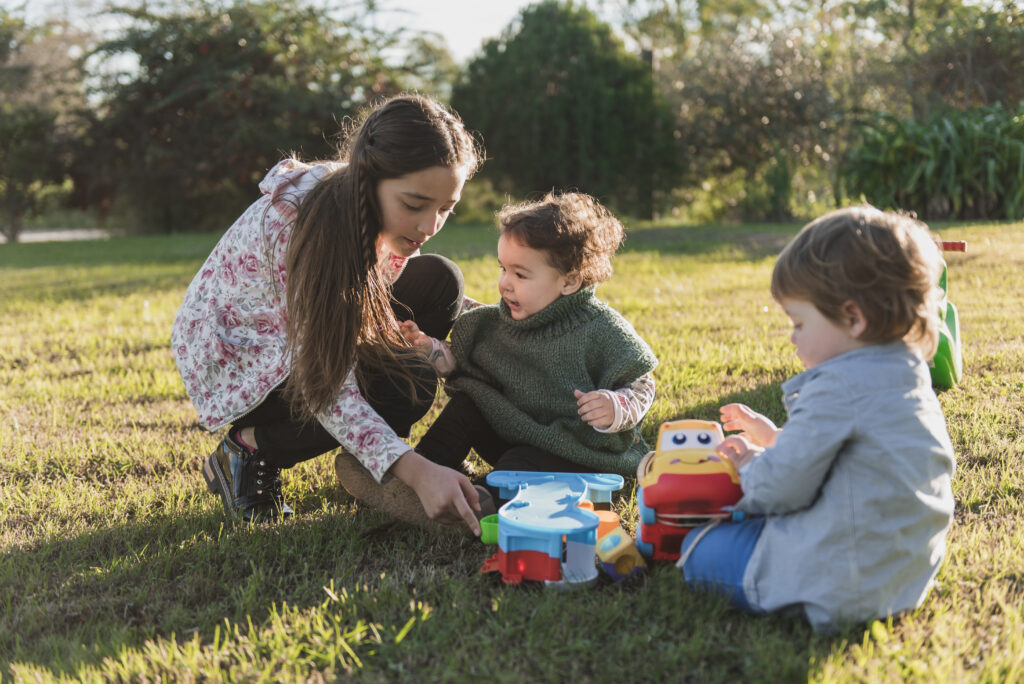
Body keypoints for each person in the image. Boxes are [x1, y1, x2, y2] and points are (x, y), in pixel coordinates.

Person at [171, 94, 487, 534]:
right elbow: (327, 383)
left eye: (445, 209)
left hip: (316, 327)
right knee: (405, 385)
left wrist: (522, 319)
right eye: (414, 205)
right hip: (244, 357)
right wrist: (419, 472)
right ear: (370, 179)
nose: (429, 226)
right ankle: (248, 449)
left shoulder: (368, 207)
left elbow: (375, 289)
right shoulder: (304, 227)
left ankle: (375, 455)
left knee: (441, 281)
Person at [676, 205, 956, 632]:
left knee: (699, 549)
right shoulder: (906, 373)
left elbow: (784, 487)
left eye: (800, 322)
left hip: (840, 580)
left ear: (853, 318)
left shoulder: (836, 386)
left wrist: (751, 465)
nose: (792, 336)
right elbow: (851, 458)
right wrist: (774, 438)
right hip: (900, 575)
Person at [352, 192, 658, 504]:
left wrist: (617, 407)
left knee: (521, 466)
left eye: (520, 274)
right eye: (504, 269)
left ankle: (475, 501)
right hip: (517, 432)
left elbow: (641, 381)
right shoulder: (502, 321)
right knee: (467, 406)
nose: (505, 284)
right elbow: (468, 365)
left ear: (569, 282)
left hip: (576, 456)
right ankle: (422, 473)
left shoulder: (599, 328)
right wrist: (431, 350)